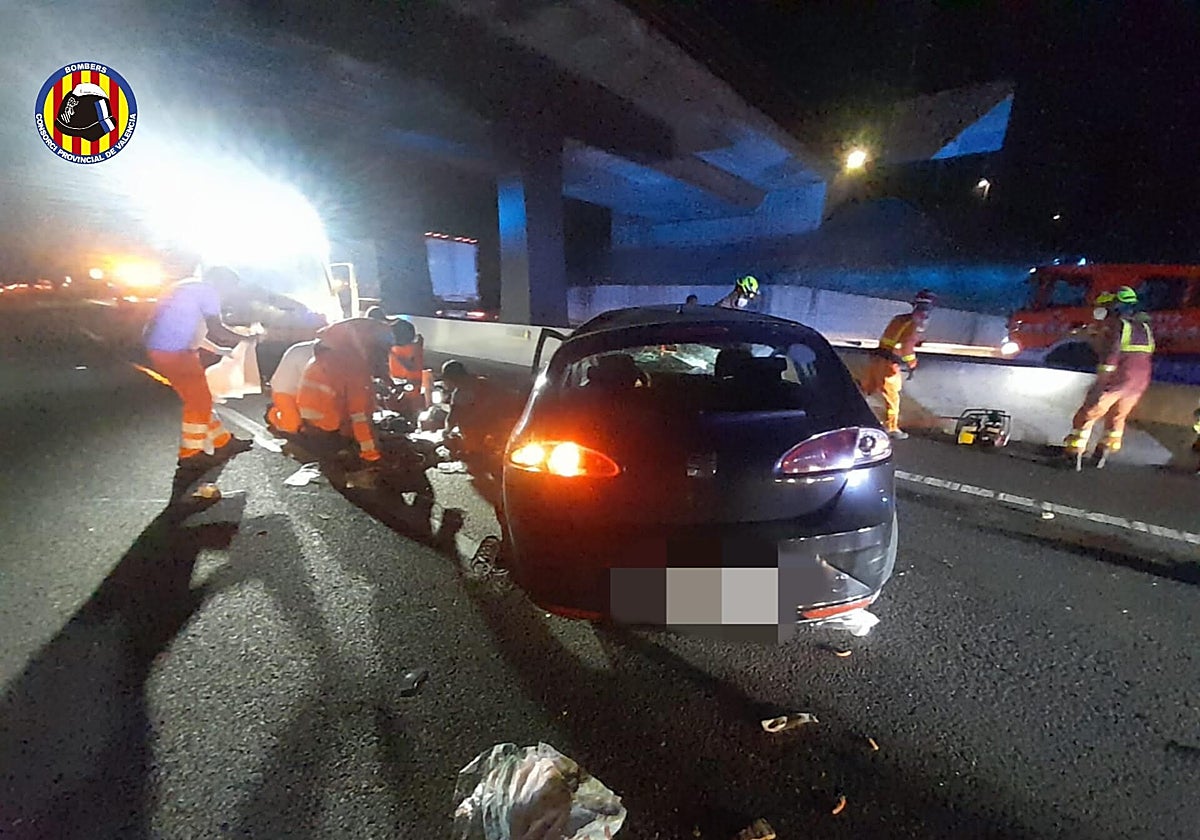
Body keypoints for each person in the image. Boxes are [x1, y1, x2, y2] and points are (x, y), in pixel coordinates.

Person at [144, 266, 254, 468]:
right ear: (221, 282)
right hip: (176, 354)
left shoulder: (187, 286)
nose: (229, 294)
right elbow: (217, 329)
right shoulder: (208, 291)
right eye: (230, 288)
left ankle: (223, 442)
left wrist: (219, 350)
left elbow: (188, 329)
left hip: (164, 350)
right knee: (199, 402)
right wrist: (248, 338)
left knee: (199, 398)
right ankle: (191, 454)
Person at [1062, 286, 1155, 470]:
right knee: (1117, 417)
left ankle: (1073, 455)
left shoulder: (1117, 325)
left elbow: (1111, 353)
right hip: (1139, 382)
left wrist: (1102, 380)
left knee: (1088, 414)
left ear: (1115, 307)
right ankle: (1102, 454)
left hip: (1117, 379)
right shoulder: (1144, 328)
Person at [858, 289, 937, 440]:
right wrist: (912, 363)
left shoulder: (899, 319)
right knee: (892, 397)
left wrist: (915, 341)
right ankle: (891, 427)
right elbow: (905, 347)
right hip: (889, 365)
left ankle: (850, 415)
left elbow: (896, 338)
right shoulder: (914, 324)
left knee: (865, 390)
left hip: (876, 359)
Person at [295, 341, 382, 465]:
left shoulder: (318, 362)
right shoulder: (352, 371)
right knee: (358, 427)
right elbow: (358, 416)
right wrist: (370, 452)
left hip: (309, 420)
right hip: (328, 424)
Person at [440, 359, 522, 462]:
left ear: (452, 379)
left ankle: (476, 453)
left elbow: (453, 417)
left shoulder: (460, 394)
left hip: (482, 430)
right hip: (499, 425)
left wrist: (446, 431)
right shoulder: (482, 382)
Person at [265, 339, 318, 434]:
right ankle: (273, 413)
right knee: (293, 427)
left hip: (305, 392)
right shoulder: (309, 354)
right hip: (286, 392)